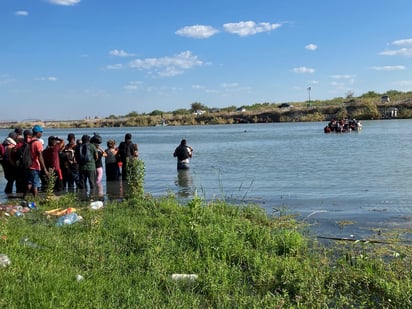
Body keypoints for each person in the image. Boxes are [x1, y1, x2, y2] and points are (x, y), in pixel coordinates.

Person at [23, 125, 49, 199]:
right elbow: (40, 156)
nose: (41, 134)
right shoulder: (38, 143)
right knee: (35, 184)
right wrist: (45, 169)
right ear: (37, 133)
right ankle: (36, 199)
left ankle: (24, 196)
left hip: (28, 166)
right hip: (35, 166)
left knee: (29, 183)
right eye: (41, 132)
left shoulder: (29, 141)